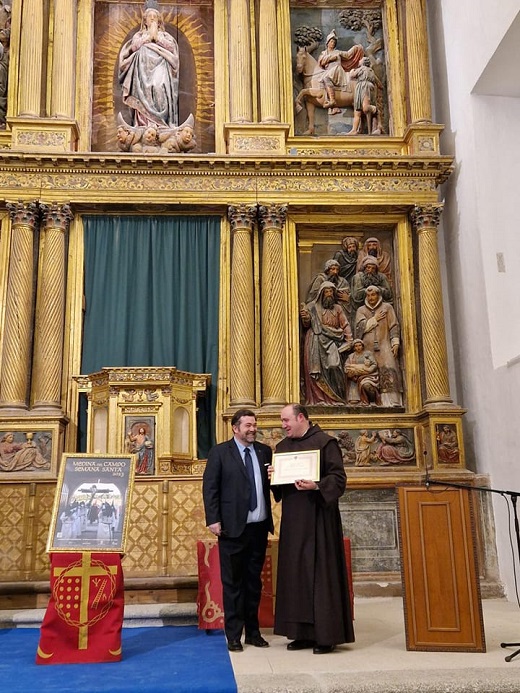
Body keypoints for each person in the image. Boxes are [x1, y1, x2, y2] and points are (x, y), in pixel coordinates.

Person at [270, 403, 354, 654]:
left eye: (286, 420)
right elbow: (280, 491)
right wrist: (273, 477)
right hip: (294, 522)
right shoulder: (282, 448)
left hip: (320, 520)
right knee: (295, 576)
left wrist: (316, 485)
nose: (283, 425)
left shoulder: (325, 443)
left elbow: (338, 479)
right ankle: (301, 633)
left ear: (301, 418)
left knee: (320, 574)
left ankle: (325, 635)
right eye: (282, 421)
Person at [202, 409, 273, 652]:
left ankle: (253, 632)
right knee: (232, 584)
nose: (252, 429)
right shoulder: (220, 452)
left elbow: (272, 486)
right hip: (231, 529)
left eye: (254, 425)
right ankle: (233, 635)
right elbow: (210, 488)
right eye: (247, 425)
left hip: (259, 528)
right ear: (235, 428)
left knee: (254, 583)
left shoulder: (265, 451)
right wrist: (213, 519)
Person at [118, 0, 179, 130]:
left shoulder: (165, 36)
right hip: (142, 72)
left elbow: (172, 50)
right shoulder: (139, 35)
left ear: (159, 21)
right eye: (149, 17)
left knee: (159, 90)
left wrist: (156, 37)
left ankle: (161, 124)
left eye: (155, 17)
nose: (152, 20)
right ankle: (144, 124)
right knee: (142, 94)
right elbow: (134, 47)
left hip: (160, 69)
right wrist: (148, 37)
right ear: (144, 21)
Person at [300, 281, 353, 405]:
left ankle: (336, 398)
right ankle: (319, 399)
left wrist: (349, 340)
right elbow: (307, 324)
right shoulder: (312, 307)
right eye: (327, 292)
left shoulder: (337, 308)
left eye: (331, 292)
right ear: (321, 293)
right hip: (315, 341)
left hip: (333, 341)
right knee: (315, 372)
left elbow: (345, 324)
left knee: (334, 366)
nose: (329, 294)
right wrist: (306, 318)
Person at [355, 285, 402, 407]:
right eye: (368, 295)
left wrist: (395, 342)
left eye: (373, 295)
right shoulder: (361, 310)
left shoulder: (387, 308)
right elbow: (358, 330)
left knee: (389, 368)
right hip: (367, 349)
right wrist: (374, 319)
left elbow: (394, 325)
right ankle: (371, 401)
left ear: (378, 295)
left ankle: (391, 402)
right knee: (368, 374)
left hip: (384, 345)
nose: (371, 298)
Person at [317, 30, 364, 114]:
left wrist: (356, 48)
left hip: (337, 70)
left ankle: (332, 101)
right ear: (327, 43)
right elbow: (321, 62)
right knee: (322, 79)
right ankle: (333, 106)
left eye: (334, 42)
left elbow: (348, 54)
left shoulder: (338, 52)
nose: (333, 43)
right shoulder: (323, 53)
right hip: (328, 71)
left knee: (326, 78)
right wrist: (331, 58)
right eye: (331, 41)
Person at [348, 57, 382, 135]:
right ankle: (354, 129)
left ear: (363, 62)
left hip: (364, 87)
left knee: (365, 108)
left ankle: (377, 112)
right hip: (367, 87)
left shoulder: (362, 68)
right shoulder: (371, 71)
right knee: (357, 110)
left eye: (360, 60)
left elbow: (352, 75)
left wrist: (351, 71)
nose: (359, 61)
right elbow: (379, 84)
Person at [344, 338, 381, 406]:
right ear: (354, 347)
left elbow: (374, 364)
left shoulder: (367, 354)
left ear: (362, 346)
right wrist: (352, 370)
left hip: (368, 376)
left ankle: (372, 401)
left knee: (367, 386)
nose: (358, 347)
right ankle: (357, 399)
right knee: (353, 402)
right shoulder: (351, 356)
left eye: (359, 345)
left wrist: (368, 370)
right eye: (356, 346)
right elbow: (347, 366)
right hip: (355, 377)